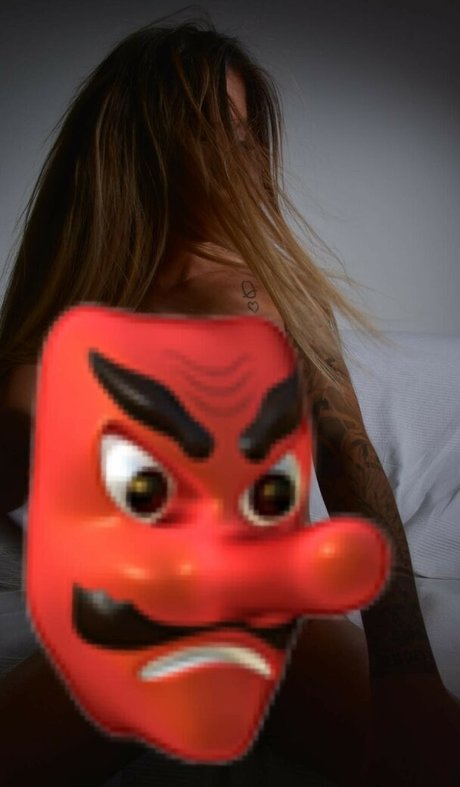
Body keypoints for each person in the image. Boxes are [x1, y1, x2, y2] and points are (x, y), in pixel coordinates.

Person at [0, 16, 459, 787]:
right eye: (221, 135)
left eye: (249, 138)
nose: (244, 162)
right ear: (149, 146)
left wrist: (407, 672)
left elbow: (350, 461)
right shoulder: (65, 322)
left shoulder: (263, 297)